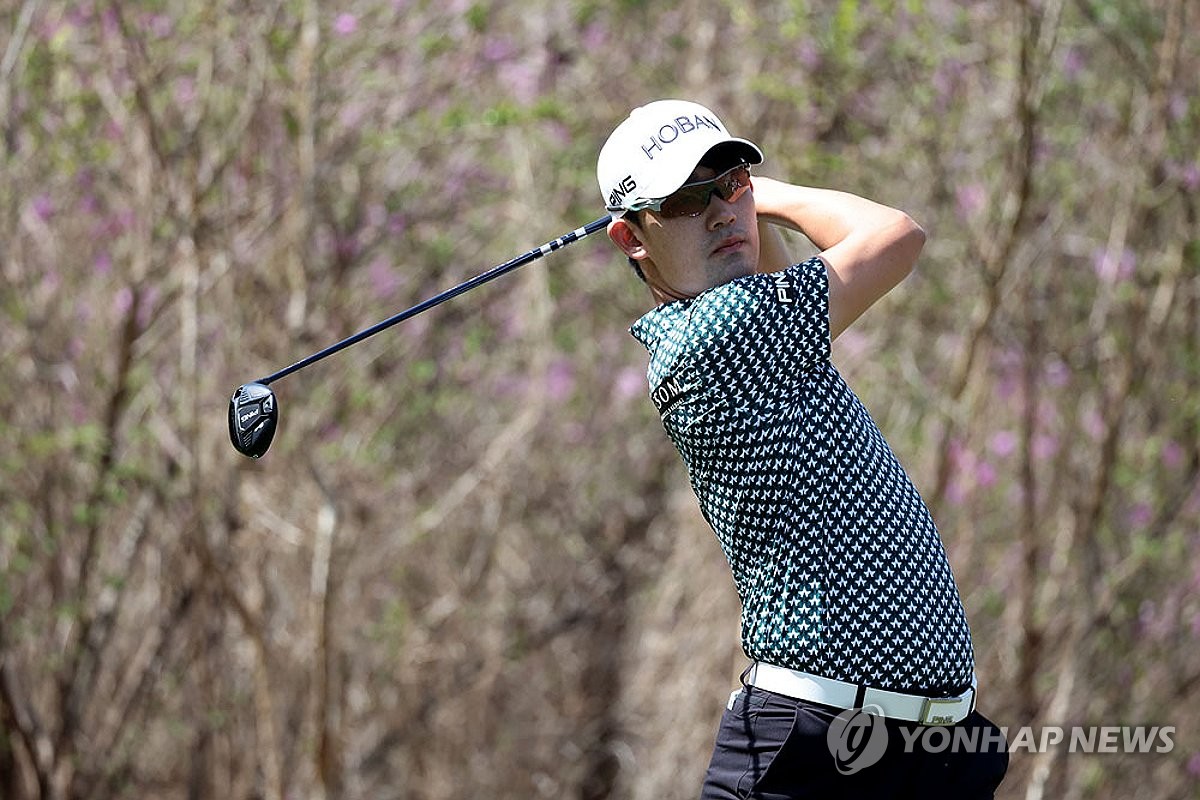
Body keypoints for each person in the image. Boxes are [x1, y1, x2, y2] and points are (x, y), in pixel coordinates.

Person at [597, 99, 1008, 799]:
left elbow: (765, 270)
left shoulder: (756, 325)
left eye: (729, 183)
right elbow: (895, 235)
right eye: (689, 199)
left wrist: (739, 203)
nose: (722, 213)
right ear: (632, 238)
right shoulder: (720, 337)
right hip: (814, 753)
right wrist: (765, 195)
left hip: (926, 754)